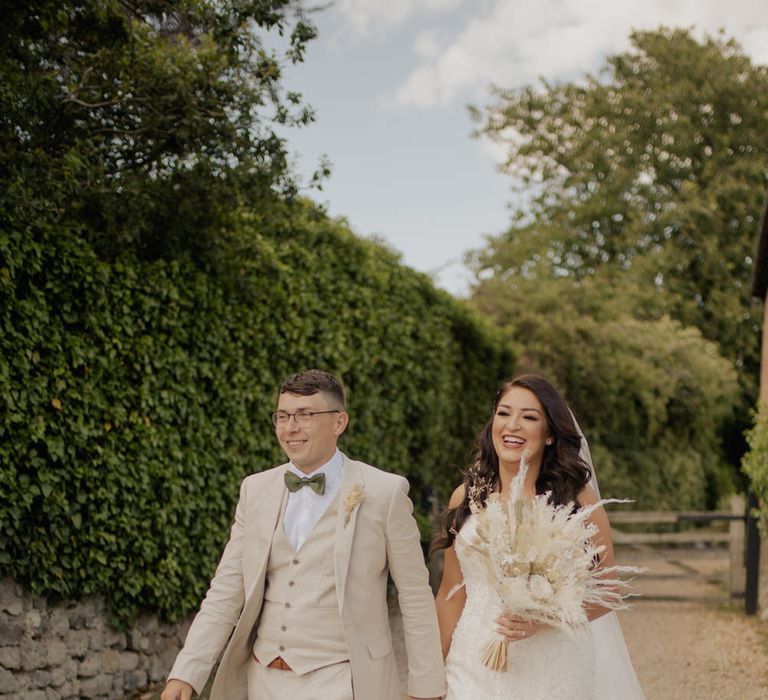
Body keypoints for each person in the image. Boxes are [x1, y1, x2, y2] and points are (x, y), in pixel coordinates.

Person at [161, 369, 446, 700]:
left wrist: (425, 686)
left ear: (339, 422)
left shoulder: (385, 492)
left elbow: (414, 595)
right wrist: (186, 672)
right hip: (261, 678)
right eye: (282, 416)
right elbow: (225, 591)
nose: (290, 428)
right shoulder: (255, 489)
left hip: (342, 680)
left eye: (305, 415)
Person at [432, 373, 644, 699]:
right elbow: (451, 592)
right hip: (473, 664)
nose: (512, 425)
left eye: (528, 417)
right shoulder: (465, 497)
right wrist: (429, 674)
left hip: (555, 666)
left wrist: (546, 616)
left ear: (548, 435)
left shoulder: (578, 500)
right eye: (504, 413)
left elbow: (609, 589)